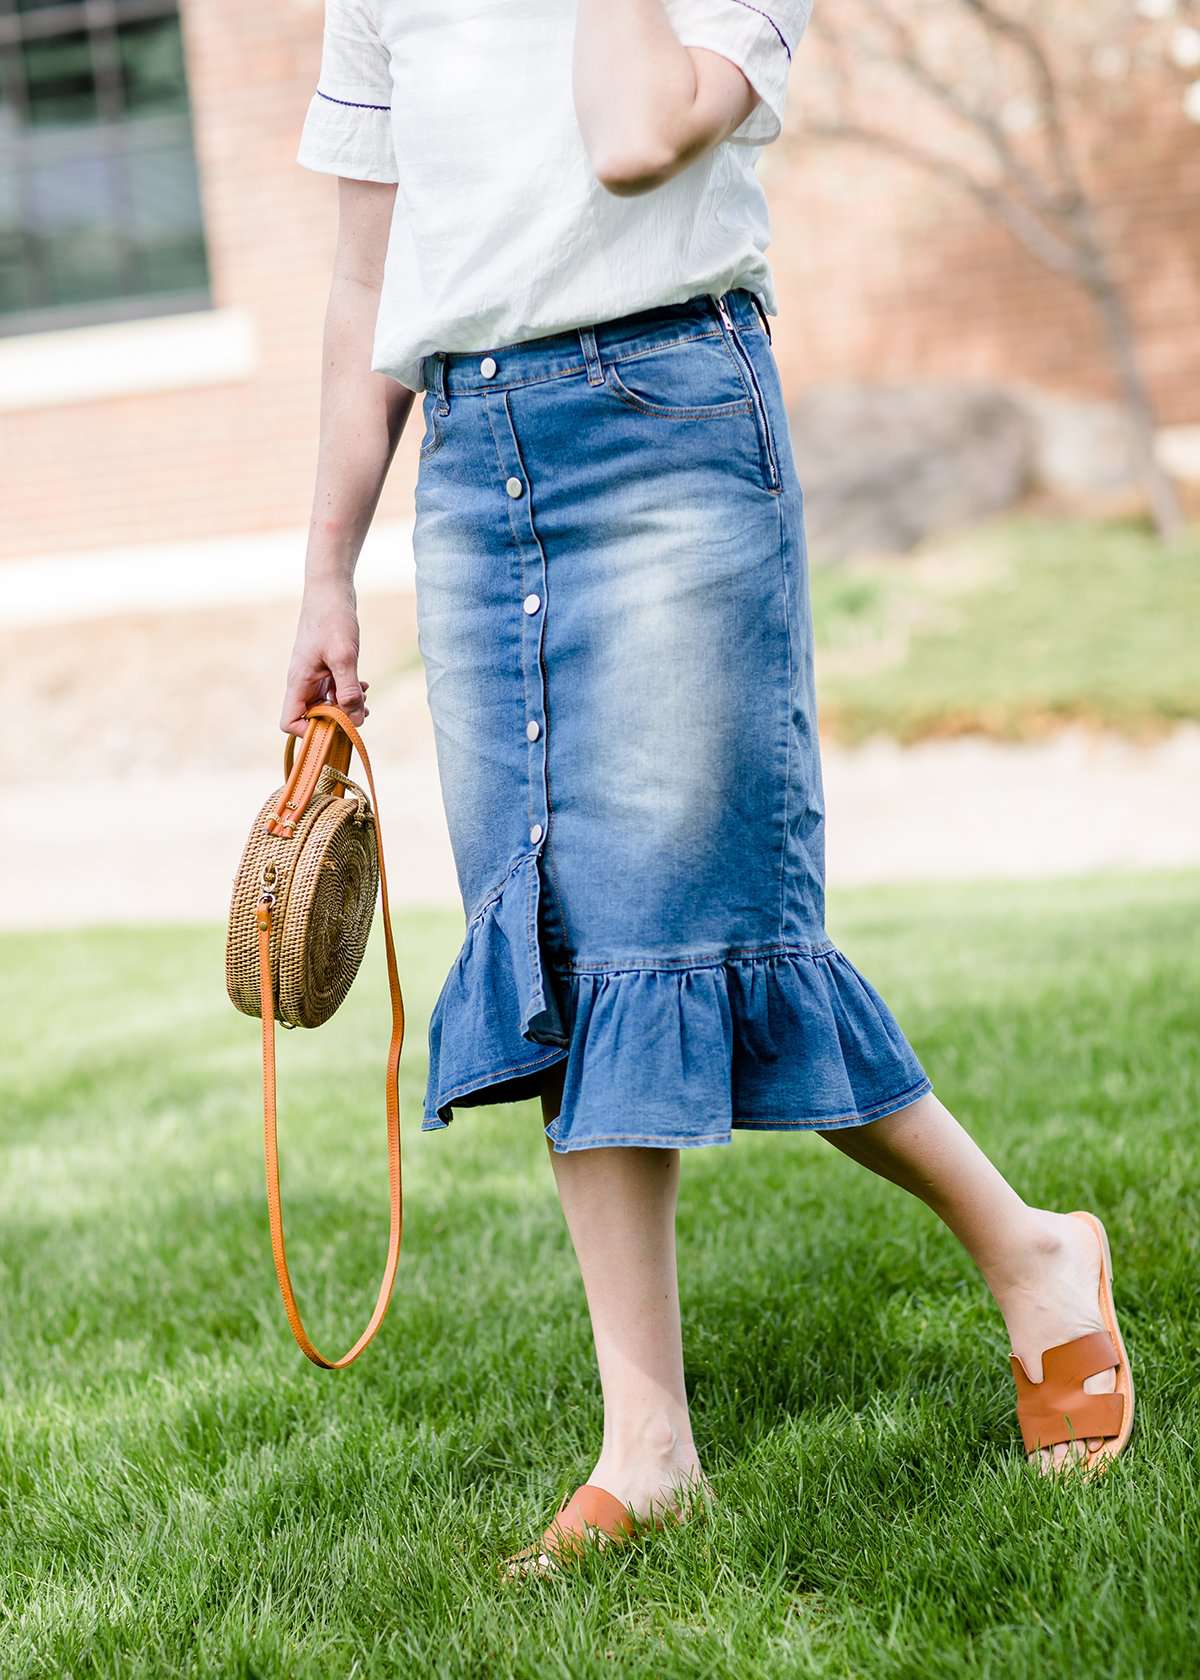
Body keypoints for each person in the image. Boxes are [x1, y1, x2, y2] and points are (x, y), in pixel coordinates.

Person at [282, 0, 1133, 1575]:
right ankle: (649, 1446)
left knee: (719, 929)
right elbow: (361, 277)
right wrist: (326, 568)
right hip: (475, 469)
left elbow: (630, 140)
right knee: (555, 945)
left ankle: (1032, 1251)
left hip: (666, 429)